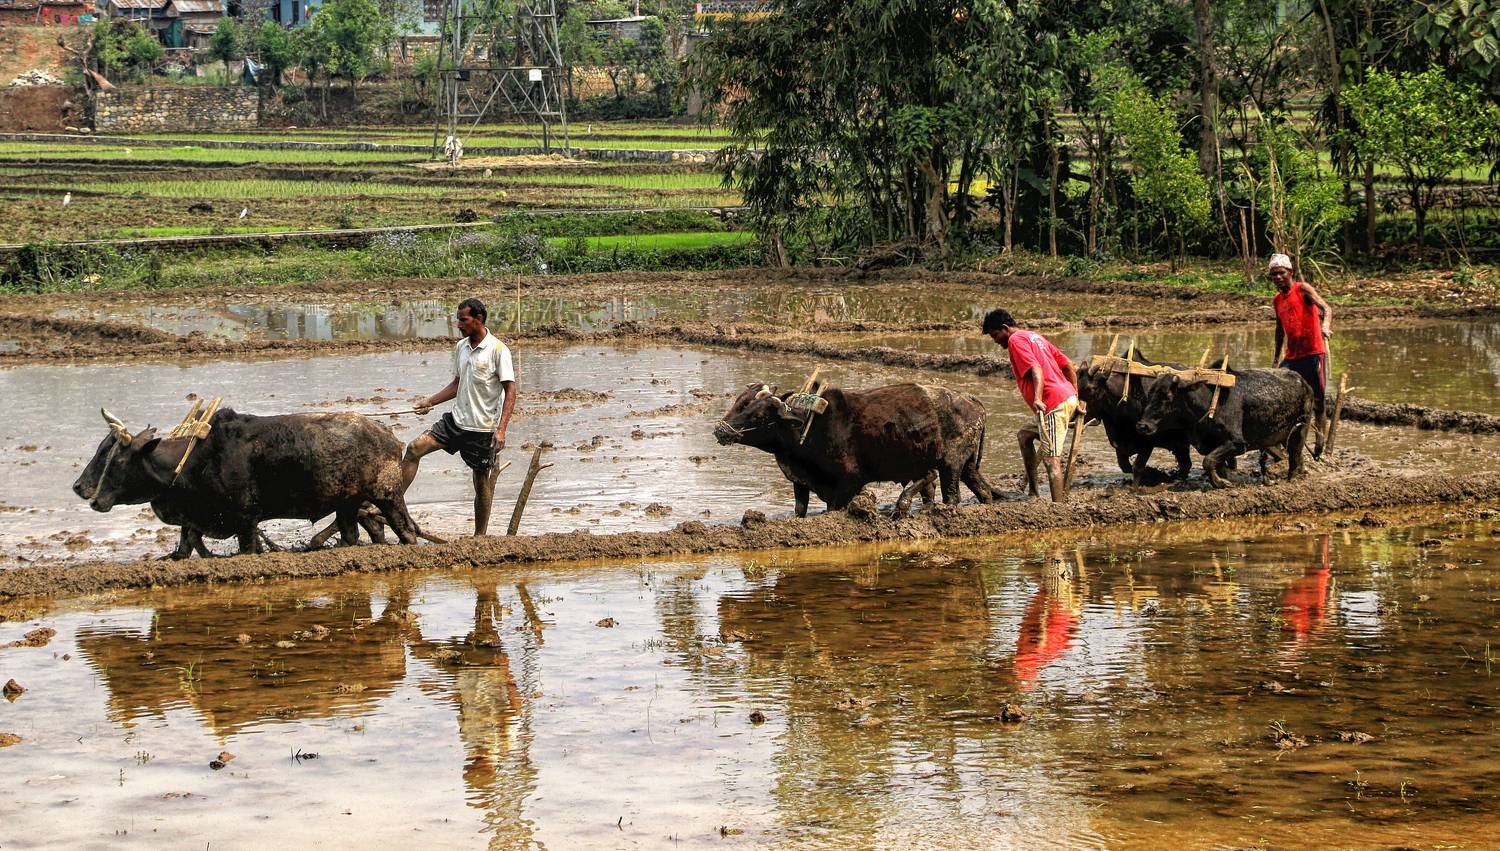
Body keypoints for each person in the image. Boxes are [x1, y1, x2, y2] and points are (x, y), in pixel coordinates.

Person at [403, 298, 518, 536]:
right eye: (458, 319)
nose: (458, 325)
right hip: (455, 422)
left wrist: (501, 430)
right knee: (414, 449)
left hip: (482, 428)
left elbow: (511, 391)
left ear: (478, 319)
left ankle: (479, 536)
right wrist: (430, 401)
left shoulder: (498, 350)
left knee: (480, 482)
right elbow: (457, 384)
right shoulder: (461, 348)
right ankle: (392, 504)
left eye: (463, 320)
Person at [983, 309, 1081, 502]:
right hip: (1065, 397)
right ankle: (1033, 493)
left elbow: (1036, 369)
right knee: (1024, 436)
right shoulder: (1034, 336)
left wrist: (1037, 398)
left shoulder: (1015, 341)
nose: (995, 341)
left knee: (1051, 460)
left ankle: (1059, 509)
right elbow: (1068, 365)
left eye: (995, 335)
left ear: (1005, 328)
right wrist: (1075, 396)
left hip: (1052, 403)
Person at [1268, 253, 1332, 452]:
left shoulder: (1302, 289)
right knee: (1279, 396)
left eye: (1281, 273)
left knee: (1318, 399)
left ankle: (1320, 441)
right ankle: (1282, 438)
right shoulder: (1277, 300)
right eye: (1274, 274)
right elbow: (1279, 331)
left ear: (1290, 272)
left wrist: (1325, 326)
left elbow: (1327, 308)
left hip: (1313, 353)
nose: (1278, 277)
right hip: (1292, 357)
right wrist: (1276, 359)